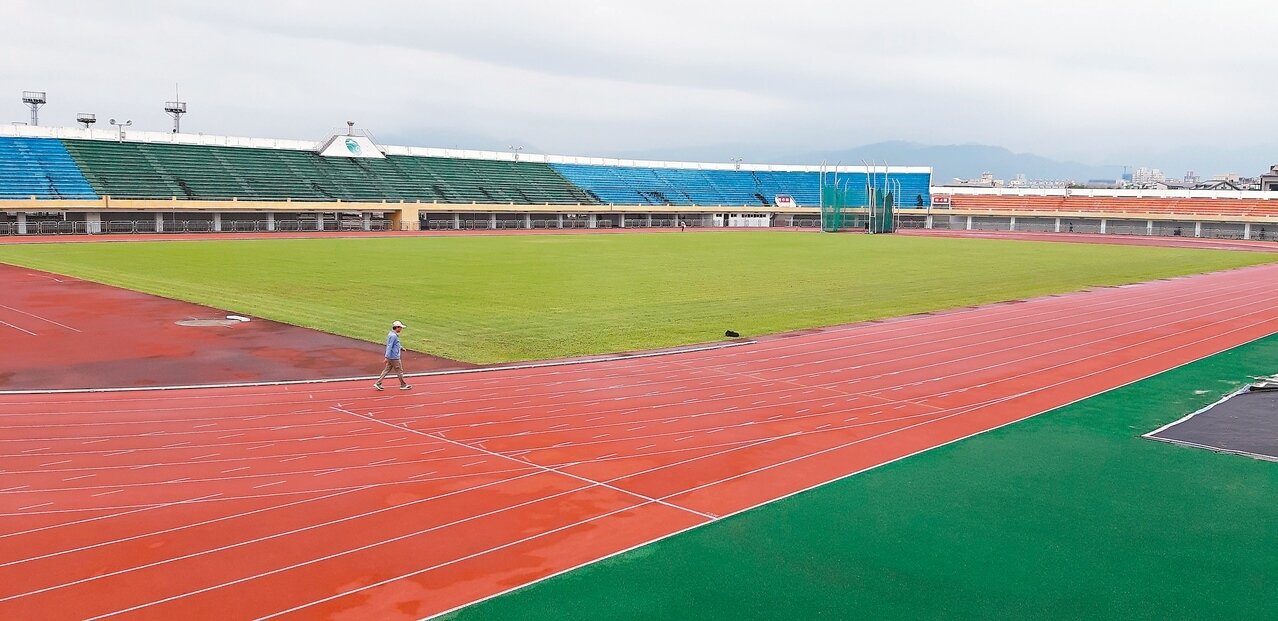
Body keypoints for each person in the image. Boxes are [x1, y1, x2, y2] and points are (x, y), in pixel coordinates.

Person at [374, 320, 412, 391]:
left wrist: (401, 347)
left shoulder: (392, 334)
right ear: (397, 327)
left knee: (386, 370)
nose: (401, 329)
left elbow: (395, 344)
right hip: (394, 357)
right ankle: (403, 385)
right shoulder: (393, 336)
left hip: (391, 357)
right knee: (399, 371)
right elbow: (389, 346)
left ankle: (378, 383)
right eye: (400, 328)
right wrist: (386, 357)